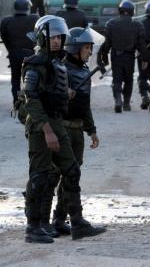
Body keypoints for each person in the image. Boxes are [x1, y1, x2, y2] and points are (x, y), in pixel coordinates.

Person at [21, 15, 105, 243]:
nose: (56, 40)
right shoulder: (35, 64)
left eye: (59, 36)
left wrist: (64, 96)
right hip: (41, 126)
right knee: (40, 176)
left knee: (72, 169)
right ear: (42, 36)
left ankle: (77, 223)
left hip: (57, 123)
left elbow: (54, 97)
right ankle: (34, 227)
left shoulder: (58, 64)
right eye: (52, 36)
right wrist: (47, 130)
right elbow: (31, 99)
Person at [39, 27, 100, 237]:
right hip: (61, 127)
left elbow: (85, 105)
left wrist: (91, 130)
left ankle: (59, 218)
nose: (90, 52)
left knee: (71, 177)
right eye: (87, 47)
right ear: (75, 48)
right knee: (53, 176)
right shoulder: (59, 69)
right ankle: (43, 222)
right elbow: (45, 98)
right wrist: (64, 94)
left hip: (77, 130)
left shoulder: (84, 71)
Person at [98, 0, 146, 113]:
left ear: (120, 11)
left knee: (117, 79)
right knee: (129, 80)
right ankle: (126, 103)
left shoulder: (111, 24)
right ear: (132, 12)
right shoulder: (137, 25)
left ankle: (118, 100)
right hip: (129, 57)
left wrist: (104, 58)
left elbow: (107, 44)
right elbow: (141, 46)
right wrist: (144, 59)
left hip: (116, 56)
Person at [0, 0, 38, 106]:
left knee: (15, 79)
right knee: (31, 79)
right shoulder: (34, 19)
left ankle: (17, 102)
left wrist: (11, 50)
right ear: (27, 7)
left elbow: (4, 38)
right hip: (30, 54)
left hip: (14, 54)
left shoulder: (6, 21)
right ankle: (29, 102)